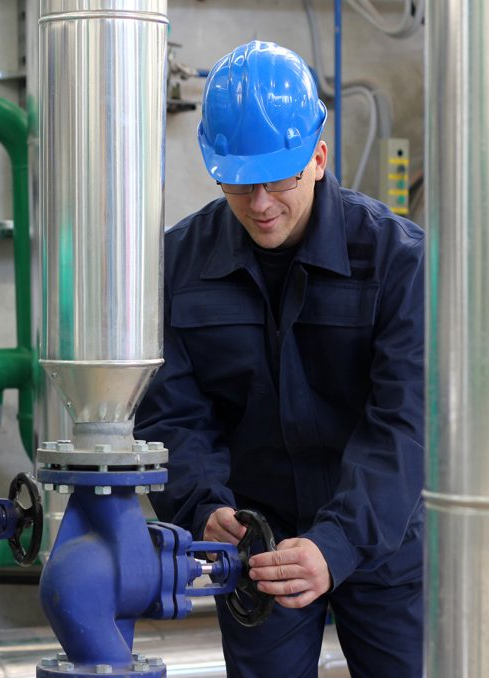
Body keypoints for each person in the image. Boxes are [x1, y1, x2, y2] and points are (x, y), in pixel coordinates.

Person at [134, 40, 424, 677]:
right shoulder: (178, 265)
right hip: (258, 546)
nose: (261, 204)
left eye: (280, 179)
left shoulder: (396, 261)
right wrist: (201, 506)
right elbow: (172, 415)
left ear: (318, 158)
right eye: (239, 183)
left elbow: (405, 426)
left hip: (381, 541)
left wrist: (338, 542)